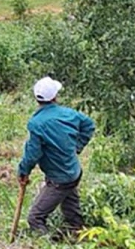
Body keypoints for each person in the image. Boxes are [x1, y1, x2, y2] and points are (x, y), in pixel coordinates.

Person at [17, 77, 96, 238]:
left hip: (60, 180)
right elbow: (89, 125)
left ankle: (50, 247)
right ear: (55, 97)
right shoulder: (70, 114)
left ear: (36, 98)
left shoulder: (36, 123)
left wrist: (23, 171)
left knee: (35, 218)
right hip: (73, 172)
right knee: (71, 208)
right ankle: (78, 232)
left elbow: (32, 154)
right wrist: (78, 146)